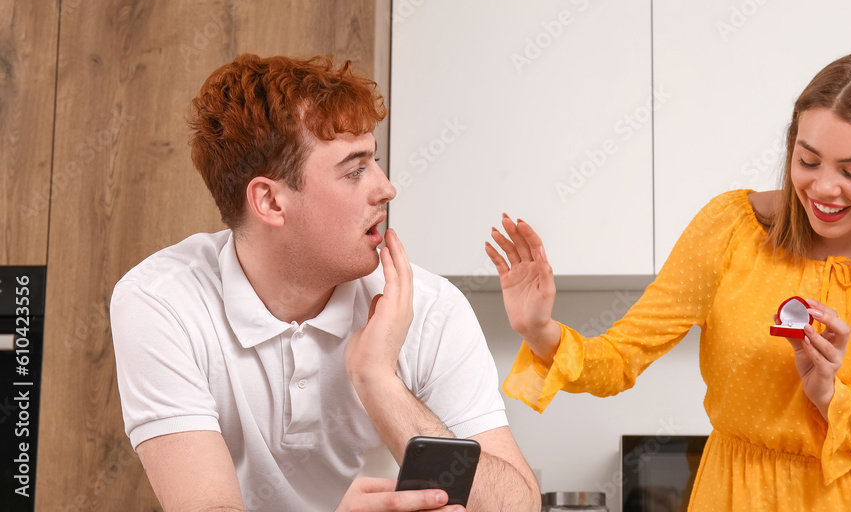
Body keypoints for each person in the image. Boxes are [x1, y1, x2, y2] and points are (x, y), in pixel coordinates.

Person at [485, 54, 851, 512]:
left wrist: (832, 398)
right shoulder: (731, 229)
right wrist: (539, 330)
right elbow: (617, 361)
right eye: (808, 162)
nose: (824, 188)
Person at [110, 54, 540, 512]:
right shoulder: (162, 302)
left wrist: (378, 380)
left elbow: (518, 506)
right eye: (355, 170)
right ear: (271, 201)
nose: (386, 188)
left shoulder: (431, 309)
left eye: (374, 161)